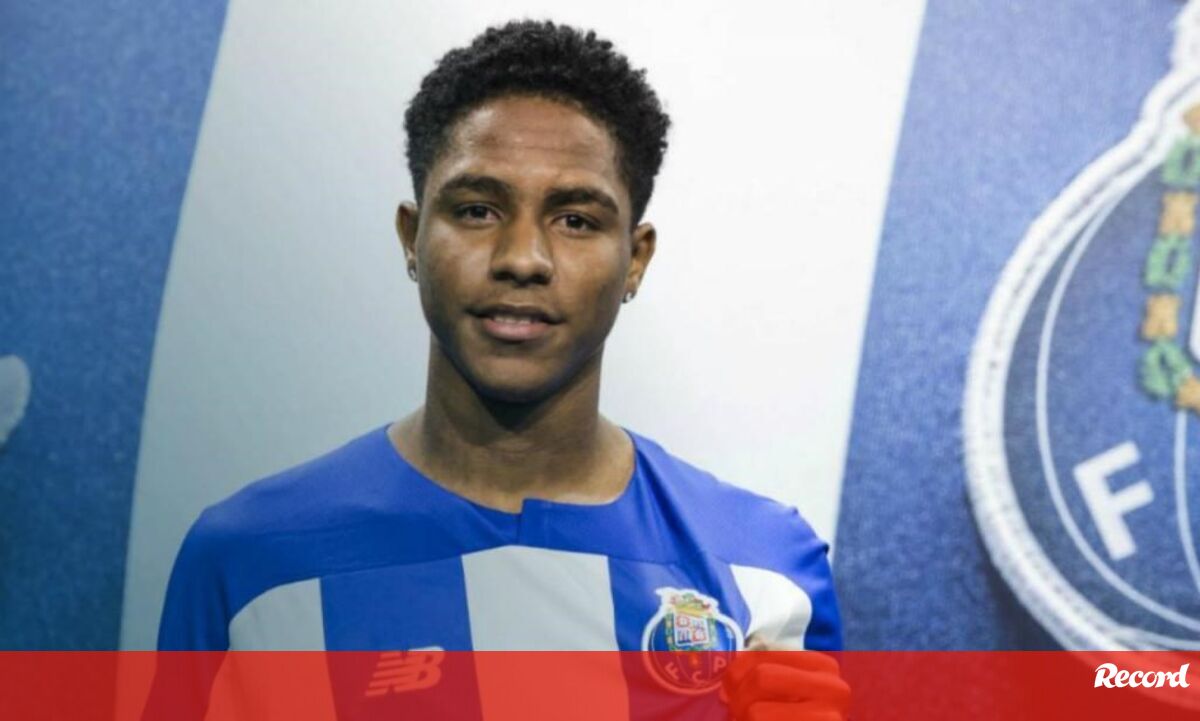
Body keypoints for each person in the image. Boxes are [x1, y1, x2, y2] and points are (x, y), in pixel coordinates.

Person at [155, 19, 848, 720]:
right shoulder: (249, 564)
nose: (522, 257)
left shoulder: (764, 567)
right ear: (412, 237)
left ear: (634, 259)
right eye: (478, 210)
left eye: (575, 220)